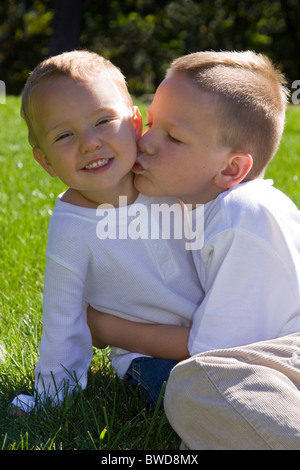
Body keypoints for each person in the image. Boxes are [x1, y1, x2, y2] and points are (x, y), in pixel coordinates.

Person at [88, 51, 300, 449]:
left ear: (230, 170)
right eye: (149, 123)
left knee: (195, 386)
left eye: (173, 137)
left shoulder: (244, 213)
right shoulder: (205, 205)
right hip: (262, 368)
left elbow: (213, 357)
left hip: (283, 360)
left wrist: (104, 327)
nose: (145, 142)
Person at [11, 50, 202, 414]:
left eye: (103, 121)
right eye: (64, 134)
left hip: (226, 321)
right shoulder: (71, 227)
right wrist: (52, 397)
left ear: (135, 123)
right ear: (45, 161)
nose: (89, 143)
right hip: (147, 353)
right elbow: (62, 318)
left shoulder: (169, 179)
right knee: (193, 394)